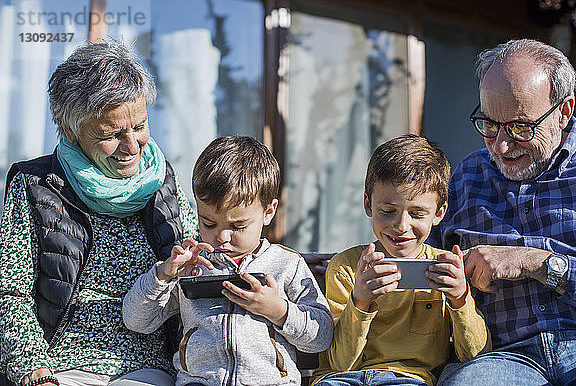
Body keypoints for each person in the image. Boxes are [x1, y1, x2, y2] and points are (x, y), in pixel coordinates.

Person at [0, 42, 198, 386]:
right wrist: (32, 369)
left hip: (147, 364)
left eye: (139, 126)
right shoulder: (34, 185)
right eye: (111, 134)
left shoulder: (163, 181)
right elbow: (10, 292)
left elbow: (195, 274)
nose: (132, 146)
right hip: (59, 364)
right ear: (71, 129)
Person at [431, 39, 576, 386]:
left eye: (521, 128)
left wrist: (539, 263)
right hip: (504, 359)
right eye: (490, 125)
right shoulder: (466, 176)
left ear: (563, 112)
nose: (502, 147)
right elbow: (423, 260)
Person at [122, 136, 334, 386]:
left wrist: (278, 311)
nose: (221, 236)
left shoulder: (287, 265)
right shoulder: (193, 265)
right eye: (208, 223)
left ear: (268, 212)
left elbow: (322, 335)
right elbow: (137, 321)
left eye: (238, 226)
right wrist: (164, 275)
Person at [311, 135, 489, 386]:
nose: (401, 226)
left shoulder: (445, 268)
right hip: (342, 379)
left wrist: (460, 299)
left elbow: (475, 357)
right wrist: (361, 302)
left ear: (439, 213)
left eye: (417, 214)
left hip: (409, 380)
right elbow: (341, 363)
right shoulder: (347, 268)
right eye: (388, 212)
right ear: (368, 205)